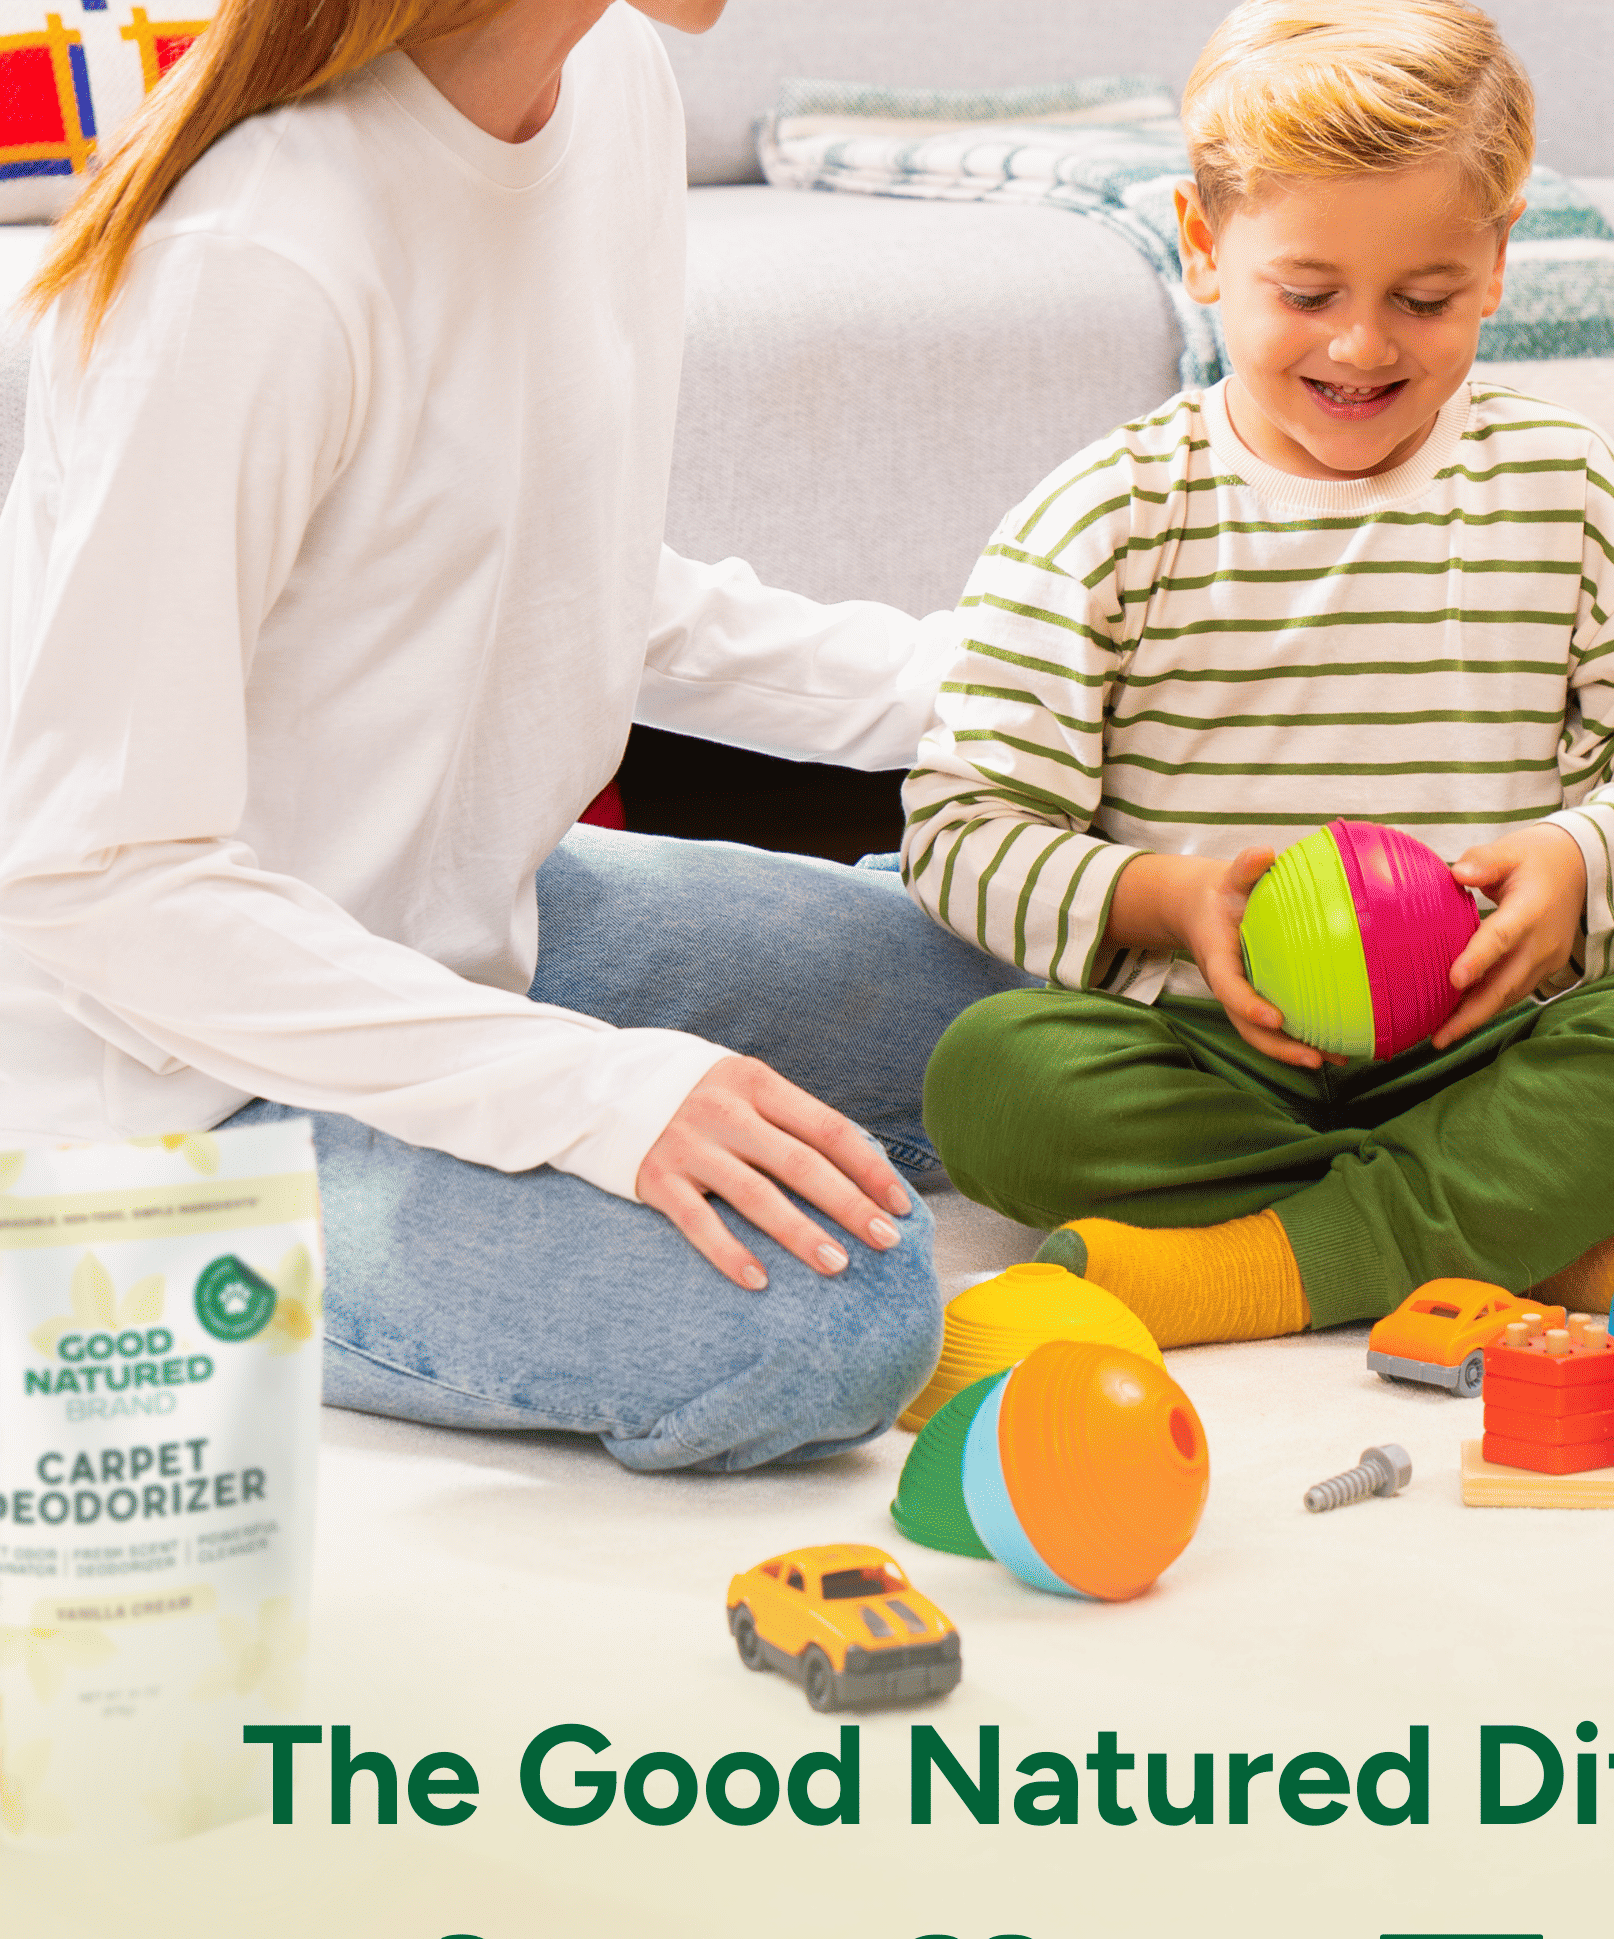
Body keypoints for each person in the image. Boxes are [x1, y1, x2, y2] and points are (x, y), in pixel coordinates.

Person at [0, 0, 1025, 1470]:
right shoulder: (257, 260)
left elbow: (576, 571)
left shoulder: (609, 85)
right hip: (165, 1088)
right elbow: (92, 875)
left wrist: (1011, 687)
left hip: (461, 944)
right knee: (832, 1311)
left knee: (1010, 999)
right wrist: (597, 1090)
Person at [899, 0, 1614, 1350]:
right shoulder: (1109, 513)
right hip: (1218, 1053)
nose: (1363, 347)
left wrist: (1574, 863)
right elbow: (958, 831)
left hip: (1491, 1043)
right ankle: (1528, 1223)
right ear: (1204, 248)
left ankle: (1269, 1264)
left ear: (1497, 264)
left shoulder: (1571, 490)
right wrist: (1169, 899)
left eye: (1424, 299)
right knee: (997, 1084)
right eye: (1307, 294)